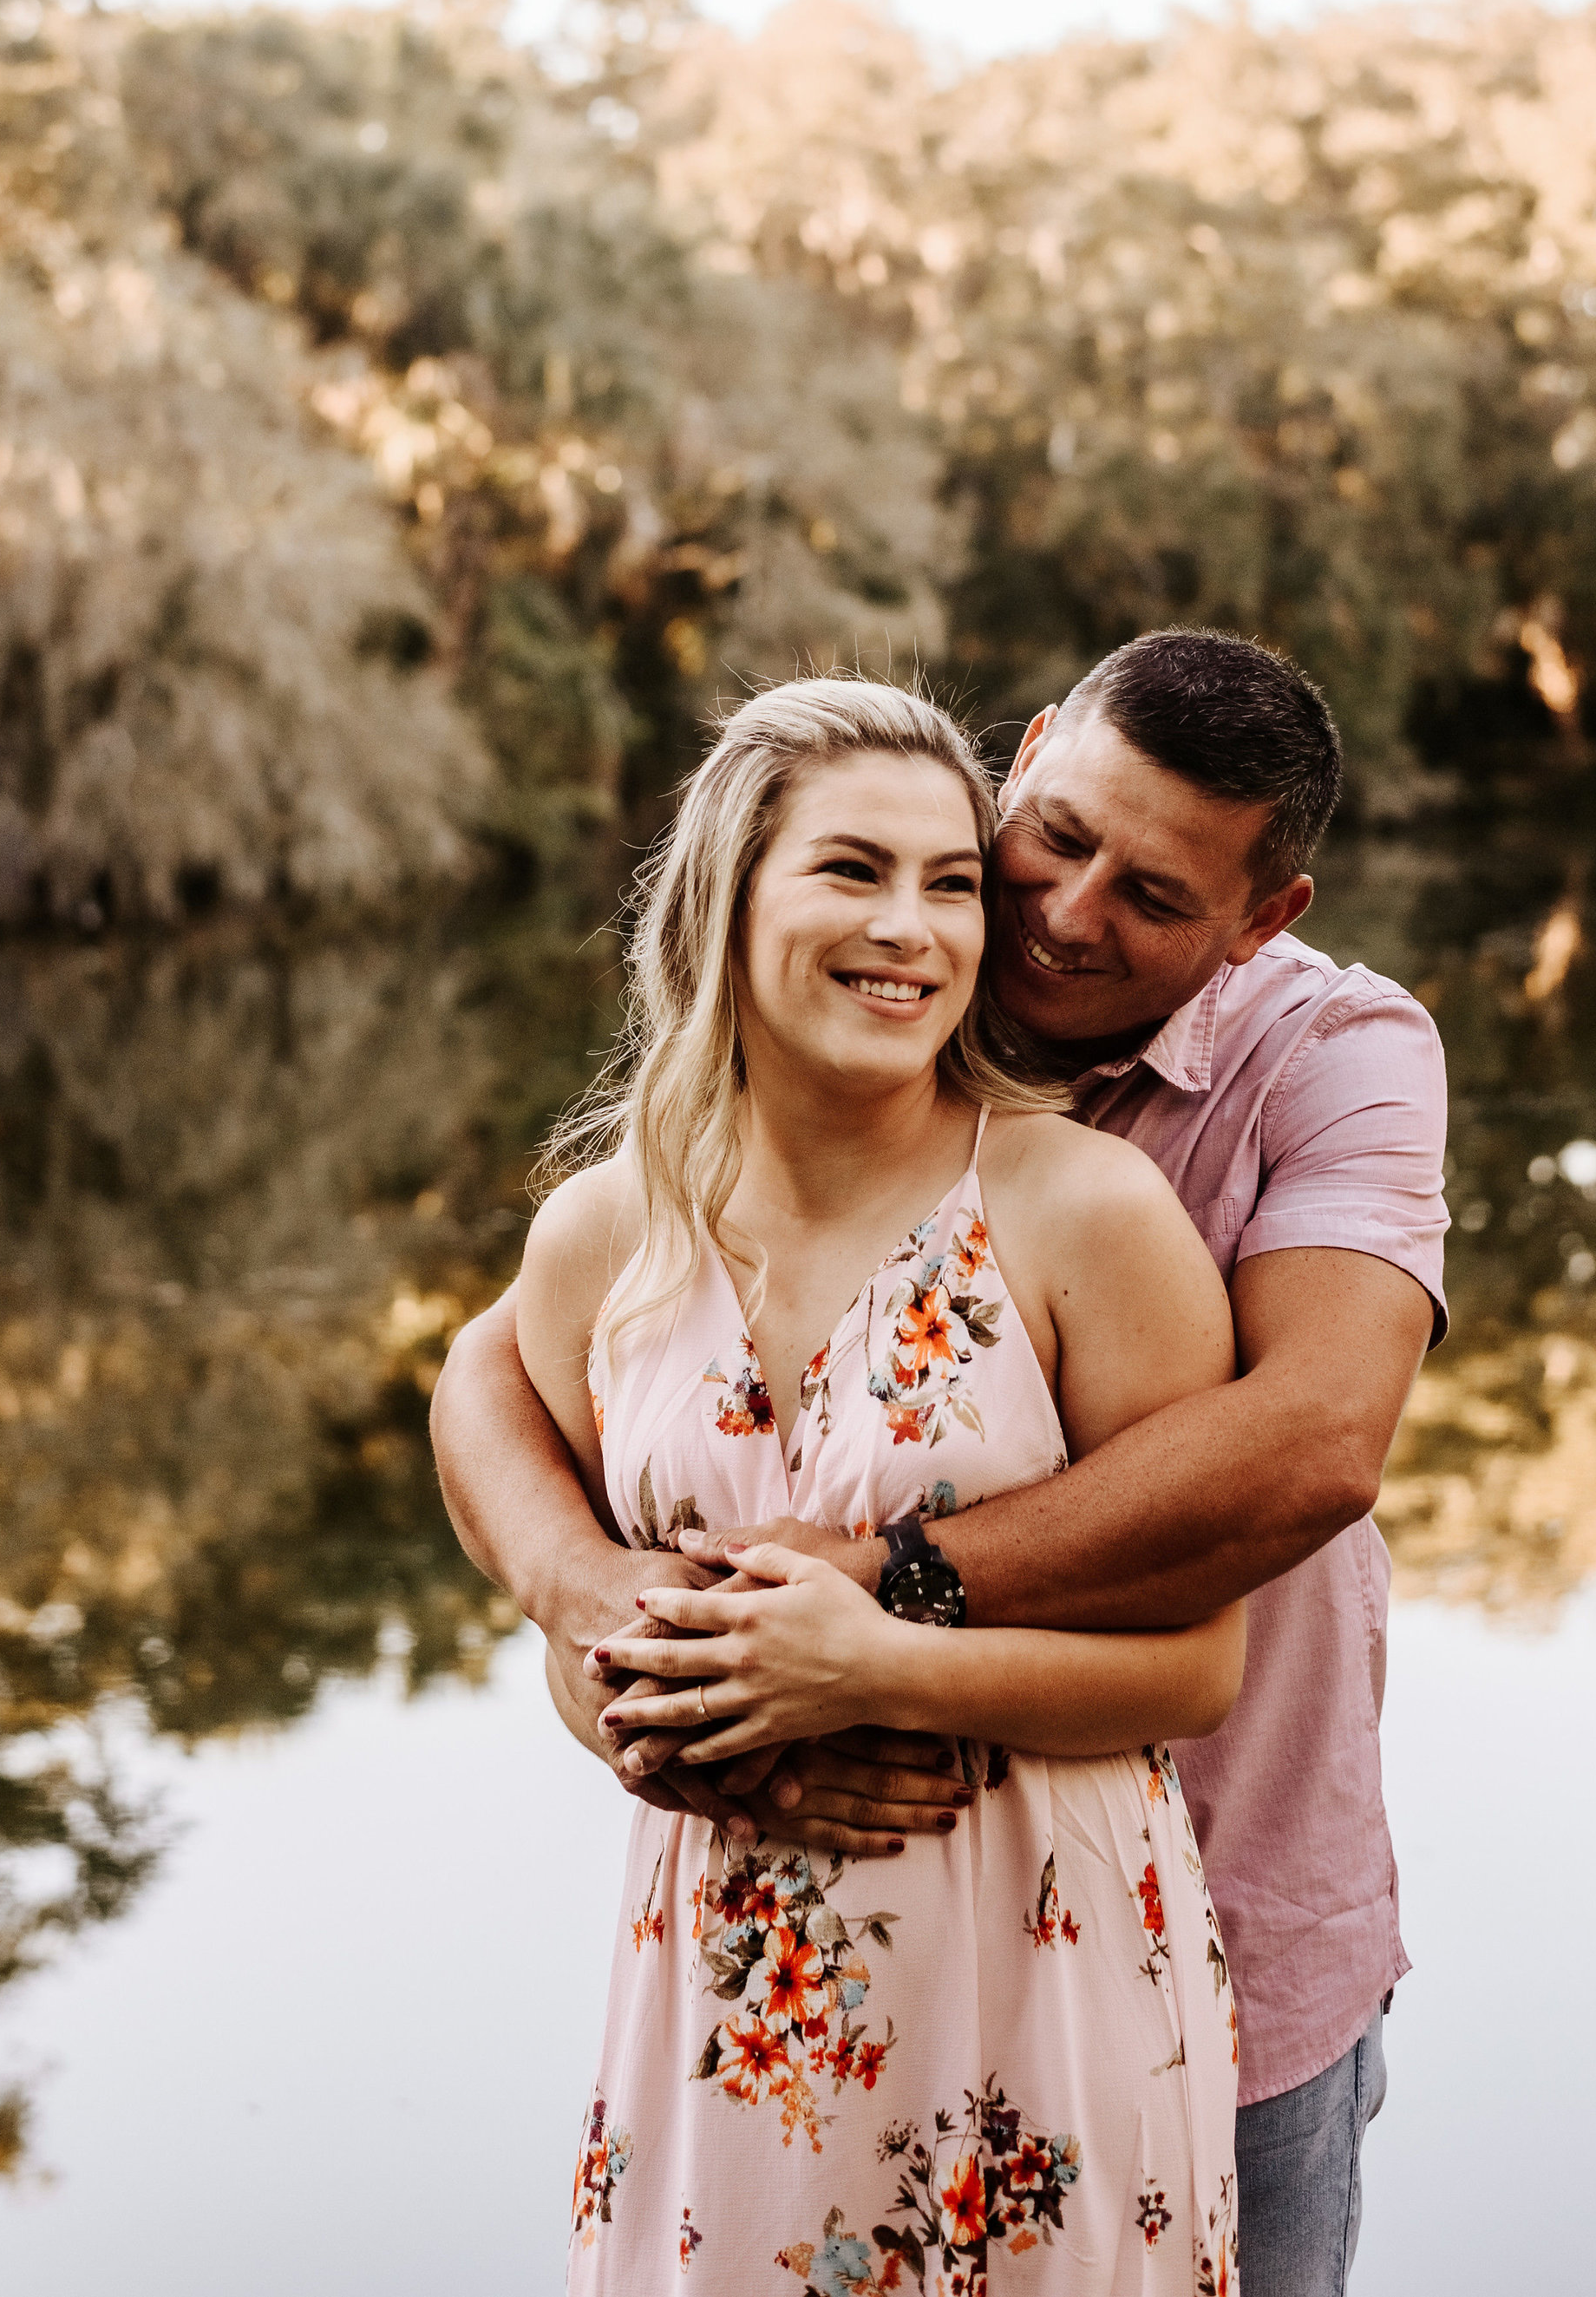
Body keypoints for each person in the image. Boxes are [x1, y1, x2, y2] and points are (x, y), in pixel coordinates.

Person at [434, 628, 1449, 2297]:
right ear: (1024, 757)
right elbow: (497, 1372)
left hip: (1201, 1922)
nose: (1060, 911)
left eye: (1154, 895)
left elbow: (1317, 1444)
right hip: (762, 1981)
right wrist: (626, 1650)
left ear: (1265, 919)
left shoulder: (1322, 1063)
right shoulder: (680, 1179)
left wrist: (880, 1610)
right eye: (1051, 836)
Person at [513, 674, 1246, 2287]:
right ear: (729, 894)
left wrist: (880, 1661)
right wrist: (679, 1750)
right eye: (852, 870)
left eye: (951, 882)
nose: (910, 927)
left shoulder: (1083, 1213)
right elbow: (585, 1649)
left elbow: (1199, 1664)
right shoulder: (598, 1241)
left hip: (1036, 1989)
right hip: (724, 2004)